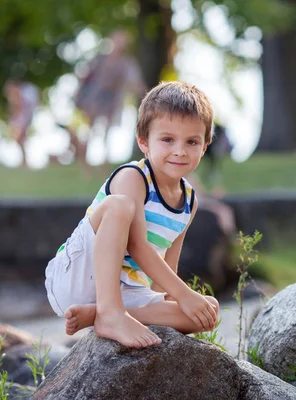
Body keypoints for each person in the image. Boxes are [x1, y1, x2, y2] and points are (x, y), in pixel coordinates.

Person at [44, 81, 219, 348]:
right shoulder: (133, 177)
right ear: (143, 141)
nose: (180, 151)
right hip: (78, 274)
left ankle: (100, 314)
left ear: (205, 145)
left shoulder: (189, 201)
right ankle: (110, 312)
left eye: (192, 141)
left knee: (208, 311)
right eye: (167, 139)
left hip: (128, 292)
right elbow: (137, 245)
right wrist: (184, 295)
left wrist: (180, 301)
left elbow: (168, 264)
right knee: (119, 206)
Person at [70, 30, 147, 165]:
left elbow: (134, 80)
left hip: (113, 100)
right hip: (95, 97)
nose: (119, 44)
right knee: (90, 129)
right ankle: (84, 164)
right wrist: (79, 94)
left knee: (107, 132)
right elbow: (85, 76)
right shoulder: (100, 59)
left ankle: (104, 164)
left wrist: (146, 93)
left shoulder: (126, 62)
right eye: (117, 40)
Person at [4, 79, 40, 167]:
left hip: (21, 119)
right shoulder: (21, 94)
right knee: (20, 140)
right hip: (23, 119)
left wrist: (14, 119)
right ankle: (24, 161)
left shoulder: (17, 94)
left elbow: (17, 108)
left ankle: (24, 161)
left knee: (20, 140)